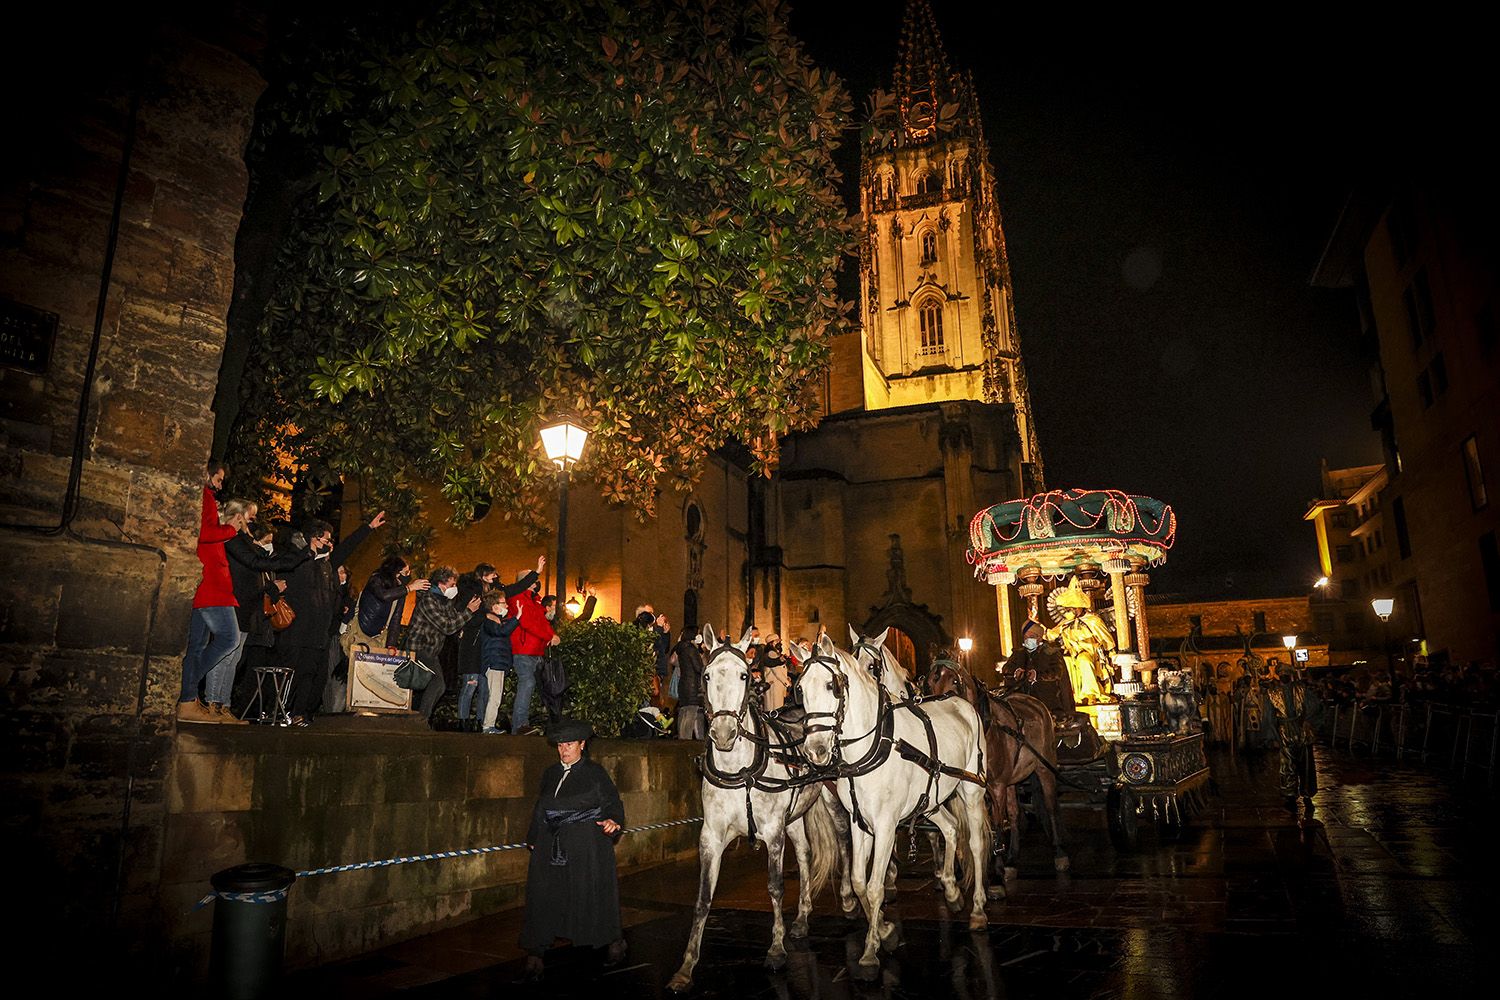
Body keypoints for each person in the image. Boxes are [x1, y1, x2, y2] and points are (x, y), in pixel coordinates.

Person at [520, 719, 626, 980]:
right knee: (543, 891)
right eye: (560, 745)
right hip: (550, 841)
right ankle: (537, 950)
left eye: (569, 744)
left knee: (591, 891)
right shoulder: (550, 773)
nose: (563, 750)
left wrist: (614, 819)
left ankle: (613, 940)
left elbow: (612, 801)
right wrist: (533, 835)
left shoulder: (595, 772)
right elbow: (541, 806)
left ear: (581, 744)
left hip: (586, 844)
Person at [280, 511, 386, 727]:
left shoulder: (326, 565)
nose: (330, 544)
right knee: (300, 674)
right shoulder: (299, 561)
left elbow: (347, 547)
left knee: (317, 678)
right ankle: (289, 713)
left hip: (321, 633)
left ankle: (304, 714)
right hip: (299, 632)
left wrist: (368, 528)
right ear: (314, 539)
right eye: (326, 540)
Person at [217, 500, 309, 722]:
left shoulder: (243, 540)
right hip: (234, 605)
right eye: (250, 515)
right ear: (237, 515)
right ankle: (215, 703)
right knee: (226, 657)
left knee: (233, 659)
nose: (251, 519)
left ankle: (222, 705)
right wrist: (298, 556)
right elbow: (256, 563)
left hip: (247, 609)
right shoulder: (231, 539)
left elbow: (261, 563)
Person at [178, 461, 242, 724]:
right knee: (229, 637)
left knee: (196, 646)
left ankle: (187, 699)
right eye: (219, 478)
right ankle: (186, 690)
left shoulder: (204, 498)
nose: (220, 484)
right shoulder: (204, 496)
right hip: (211, 586)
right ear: (209, 474)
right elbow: (203, 533)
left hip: (208, 584)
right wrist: (231, 529)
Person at [406, 566, 483, 725]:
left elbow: (454, 620)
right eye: (452, 584)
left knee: (432, 686)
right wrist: (468, 611)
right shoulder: (429, 600)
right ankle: (421, 720)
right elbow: (447, 626)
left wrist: (466, 608)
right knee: (437, 683)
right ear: (442, 583)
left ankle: (418, 718)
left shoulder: (444, 601)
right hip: (418, 648)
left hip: (431, 651)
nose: (454, 588)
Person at [1267, 662, 1324, 814]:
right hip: (1284, 730)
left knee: (1305, 763)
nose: (1284, 675)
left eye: (1287, 673)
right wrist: (1273, 735)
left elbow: (1315, 706)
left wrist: (1308, 721)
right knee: (1287, 764)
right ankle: (1290, 795)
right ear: (1279, 675)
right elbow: (1270, 716)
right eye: (1282, 673)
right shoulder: (1272, 693)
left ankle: (1307, 793)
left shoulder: (1301, 689)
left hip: (1301, 728)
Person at [510, 570, 558, 735]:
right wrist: (549, 636)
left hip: (535, 651)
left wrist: (551, 635)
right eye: (533, 579)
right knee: (527, 682)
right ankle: (519, 725)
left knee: (534, 686)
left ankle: (526, 724)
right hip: (523, 650)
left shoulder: (535, 600)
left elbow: (541, 622)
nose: (536, 582)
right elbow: (527, 622)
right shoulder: (517, 597)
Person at [1003, 620, 1075, 718]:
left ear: (1039, 638)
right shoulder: (1018, 653)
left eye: (1031, 637)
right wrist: (1015, 672)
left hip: (1047, 702)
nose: (1028, 640)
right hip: (1021, 701)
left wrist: (1037, 676)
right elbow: (1006, 669)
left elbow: (1057, 672)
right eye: (1026, 637)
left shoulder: (1051, 653)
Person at [477, 588, 522, 733]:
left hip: (498, 663)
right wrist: (517, 618)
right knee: (495, 697)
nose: (507, 606)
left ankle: (488, 725)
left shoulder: (496, 620)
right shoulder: (490, 620)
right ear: (494, 606)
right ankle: (488, 726)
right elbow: (501, 632)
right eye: (504, 603)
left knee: (495, 696)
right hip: (494, 663)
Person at [672, 627, 706, 741]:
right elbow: (698, 667)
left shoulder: (681, 648)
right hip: (692, 685)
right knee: (691, 712)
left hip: (684, 684)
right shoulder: (691, 649)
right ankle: (685, 740)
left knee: (684, 711)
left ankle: (682, 737)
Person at [760, 633, 791, 712]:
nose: (779, 643)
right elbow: (777, 672)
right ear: (772, 643)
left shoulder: (775, 653)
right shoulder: (771, 654)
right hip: (774, 685)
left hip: (777, 685)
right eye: (777, 641)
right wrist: (787, 683)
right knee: (775, 709)